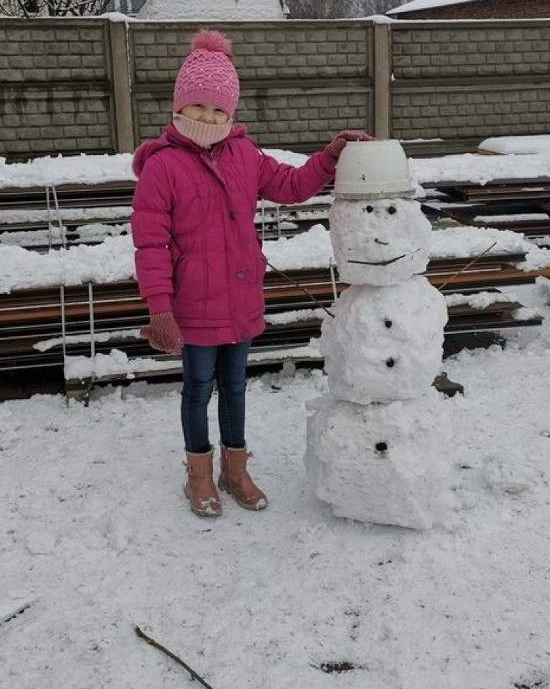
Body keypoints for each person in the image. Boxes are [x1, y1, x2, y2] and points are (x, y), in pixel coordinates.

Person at [130, 29, 372, 517]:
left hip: (240, 299)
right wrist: (160, 309)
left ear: (231, 114)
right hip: (193, 306)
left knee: (236, 387)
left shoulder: (246, 155)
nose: (209, 118)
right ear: (179, 107)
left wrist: (330, 156)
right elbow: (150, 243)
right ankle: (198, 475)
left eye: (219, 110)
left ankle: (234, 469)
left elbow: (291, 184)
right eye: (199, 107)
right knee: (198, 389)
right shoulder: (164, 167)